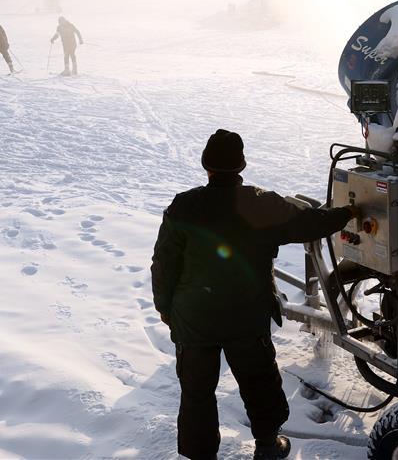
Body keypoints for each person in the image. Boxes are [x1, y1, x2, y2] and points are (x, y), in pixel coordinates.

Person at [150, 129, 362, 460]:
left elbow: (163, 264)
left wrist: (165, 308)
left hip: (194, 318)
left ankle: (200, 454)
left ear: (207, 168)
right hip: (246, 315)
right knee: (259, 381)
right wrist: (348, 213)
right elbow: (310, 223)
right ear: (241, 166)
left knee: (196, 392)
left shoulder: (183, 206)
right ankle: (267, 445)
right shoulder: (261, 202)